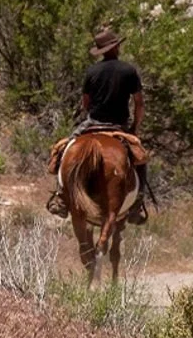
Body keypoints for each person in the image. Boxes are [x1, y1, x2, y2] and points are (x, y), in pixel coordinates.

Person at [47, 27, 151, 223]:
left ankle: (60, 197)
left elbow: (86, 102)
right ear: (116, 47)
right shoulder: (128, 70)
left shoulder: (92, 71)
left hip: (92, 122)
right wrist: (135, 127)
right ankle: (137, 202)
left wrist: (93, 115)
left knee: (64, 149)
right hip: (118, 124)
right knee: (141, 159)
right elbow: (139, 103)